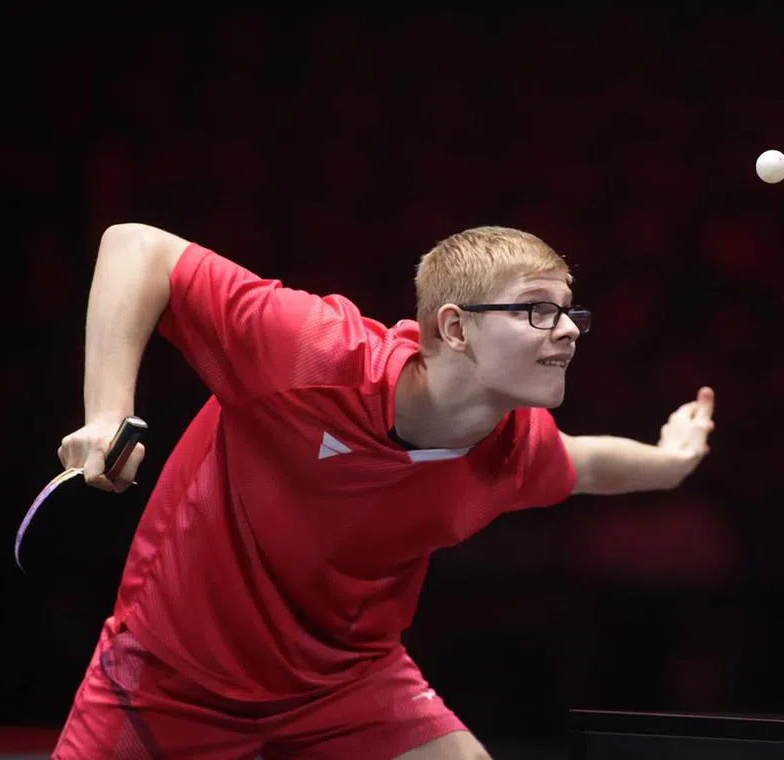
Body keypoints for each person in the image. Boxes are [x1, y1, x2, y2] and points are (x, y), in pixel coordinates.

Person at [52, 222, 716, 759]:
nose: (568, 330)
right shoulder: (314, 352)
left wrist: (671, 460)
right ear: (455, 328)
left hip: (346, 682)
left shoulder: (510, 448)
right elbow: (136, 247)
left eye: (569, 312)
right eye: (538, 310)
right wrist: (107, 414)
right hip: (176, 675)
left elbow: (587, 464)